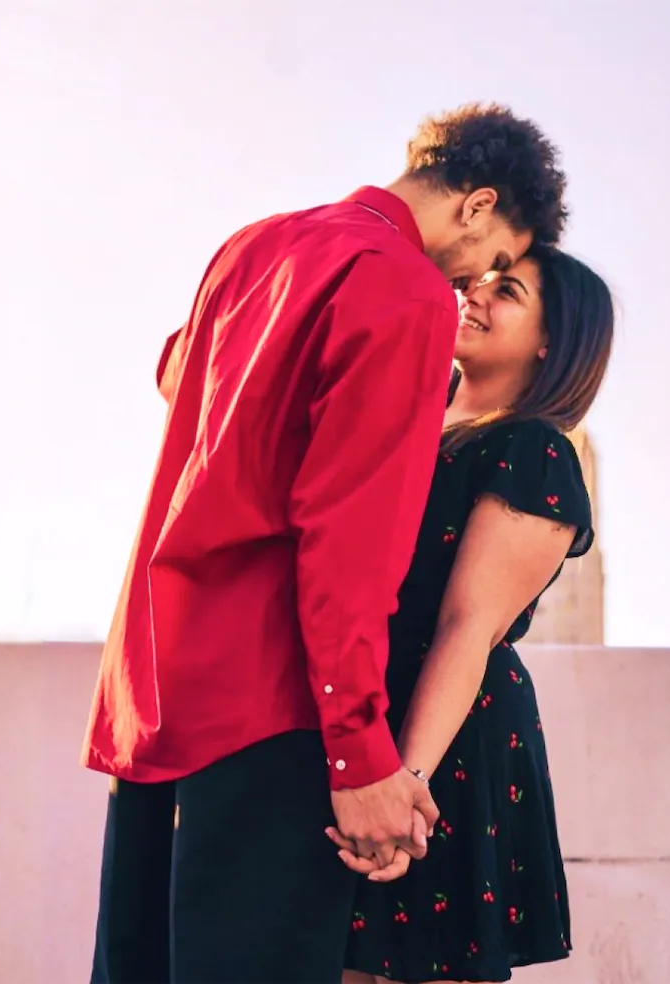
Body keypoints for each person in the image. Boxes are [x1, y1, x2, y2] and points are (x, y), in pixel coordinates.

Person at [84, 104, 569, 984]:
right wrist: (358, 755)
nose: (474, 280)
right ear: (476, 205)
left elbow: (177, 373)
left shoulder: (255, 247)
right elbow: (347, 540)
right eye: (493, 257)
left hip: (155, 689)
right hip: (269, 706)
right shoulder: (405, 289)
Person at [335, 244, 615, 984]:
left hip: (443, 742)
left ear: (552, 340)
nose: (477, 295)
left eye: (509, 291)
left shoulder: (533, 450)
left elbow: (469, 626)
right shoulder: (410, 421)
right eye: (482, 282)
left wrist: (406, 784)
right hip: (360, 730)